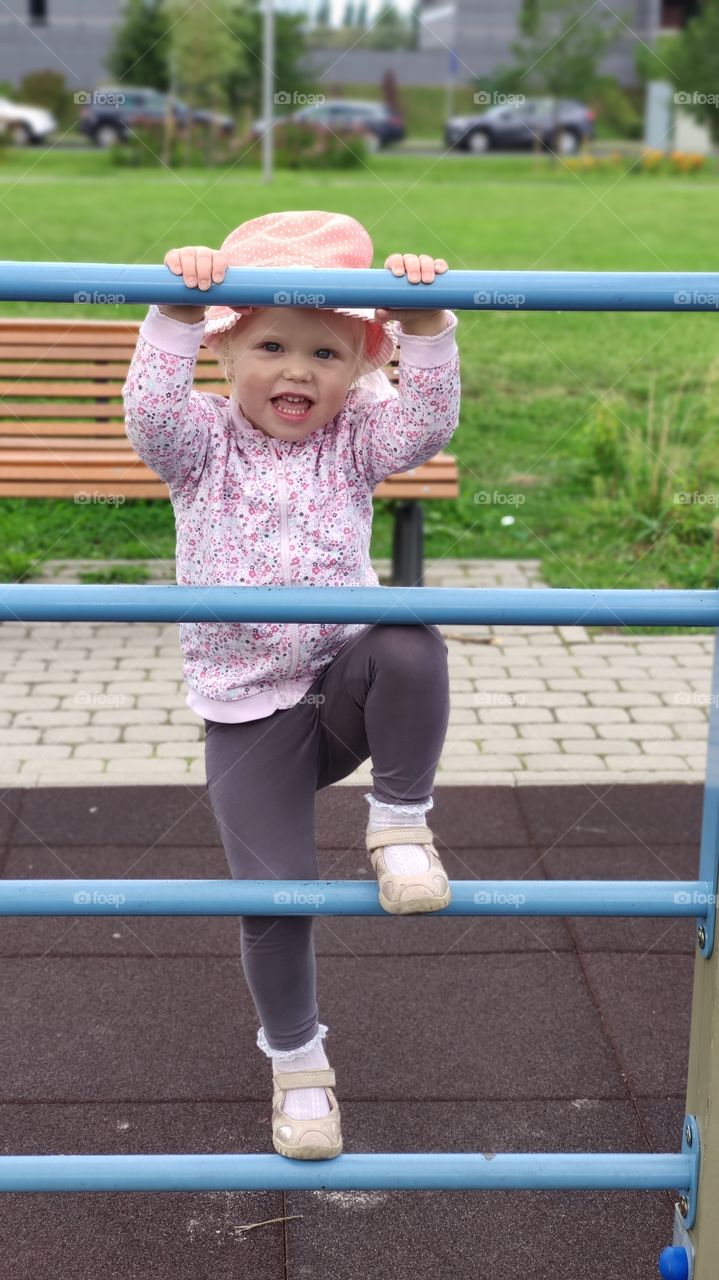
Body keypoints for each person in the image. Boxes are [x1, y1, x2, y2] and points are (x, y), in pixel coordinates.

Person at [122, 210, 461, 1162]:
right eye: (270, 344)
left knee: (407, 635)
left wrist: (427, 328)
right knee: (276, 898)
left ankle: (399, 822)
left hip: (342, 691)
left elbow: (425, 425)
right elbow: (149, 411)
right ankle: (300, 1069)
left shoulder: (353, 444)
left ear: (358, 368)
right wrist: (175, 311)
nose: (298, 371)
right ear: (228, 353)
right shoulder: (198, 448)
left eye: (326, 351)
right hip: (247, 716)